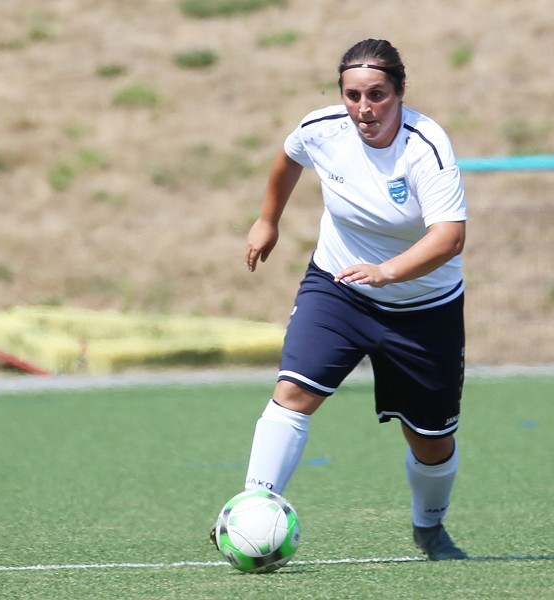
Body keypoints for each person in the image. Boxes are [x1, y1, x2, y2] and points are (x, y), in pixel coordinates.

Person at [222, 38, 470, 560]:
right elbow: (289, 157)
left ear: (400, 92)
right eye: (353, 95)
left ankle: (429, 527)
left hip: (423, 311)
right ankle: (254, 509)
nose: (364, 108)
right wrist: (268, 220)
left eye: (377, 94)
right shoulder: (322, 129)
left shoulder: (426, 147)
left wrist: (387, 272)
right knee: (293, 392)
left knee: (430, 439)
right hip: (338, 289)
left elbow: (449, 238)